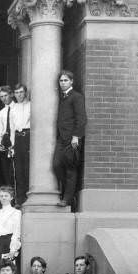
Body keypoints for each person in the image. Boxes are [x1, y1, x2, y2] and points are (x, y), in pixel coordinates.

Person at [54, 70, 86, 208]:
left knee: (71, 169)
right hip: (61, 138)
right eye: (61, 81)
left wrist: (76, 137)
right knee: (56, 165)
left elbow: (82, 118)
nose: (63, 83)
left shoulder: (76, 97)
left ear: (71, 81)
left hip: (72, 139)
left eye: (65, 80)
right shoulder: (61, 97)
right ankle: (69, 193)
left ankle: (67, 198)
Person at [0, 186, 22, 272]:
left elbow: (16, 231)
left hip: (8, 243)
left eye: (6, 196)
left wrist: (13, 249)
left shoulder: (16, 212)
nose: (3, 198)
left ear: (11, 197)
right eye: (1, 196)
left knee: (8, 268)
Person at [10, 83, 31, 206]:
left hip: (28, 137)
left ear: (25, 93)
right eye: (17, 93)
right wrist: (12, 145)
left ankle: (29, 197)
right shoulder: (13, 109)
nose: (19, 95)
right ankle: (20, 199)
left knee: (27, 168)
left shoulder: (31, 106)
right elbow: (12, 128)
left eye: (21, 92)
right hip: (18, 138)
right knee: (18, 170)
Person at [0, 84, 15, 187]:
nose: (4, 98)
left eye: (5, 95)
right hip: (5, 142)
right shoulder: (0, 113)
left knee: (16, 171)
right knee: (7, 173)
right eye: (1, 97)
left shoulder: (18, 109)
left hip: (15, 141)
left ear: (11, 94)